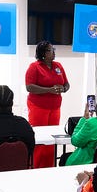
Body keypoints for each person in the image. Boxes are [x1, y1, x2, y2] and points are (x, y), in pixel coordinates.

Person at [25, 40, 70, 168]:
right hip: (38, 107)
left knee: (52, 138)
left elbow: (67, 83)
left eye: (53, 49)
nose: (53, 52)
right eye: (50, 50)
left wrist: (64, 89)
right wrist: (49, 90)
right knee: (40, 138)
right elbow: (29, 87)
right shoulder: (34, 67)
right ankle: (36, 166)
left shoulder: (58, 66)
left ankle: (49, 166)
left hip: (55, 107)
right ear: (43, 53)